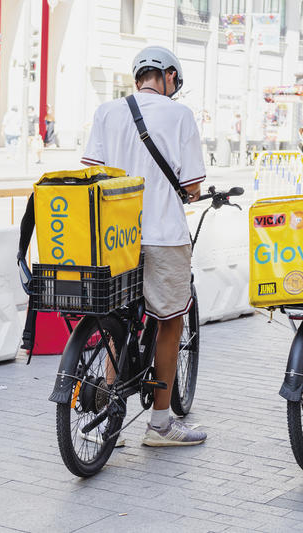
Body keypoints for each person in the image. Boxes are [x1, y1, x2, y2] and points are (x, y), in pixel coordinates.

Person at [80, 45, 207, 447]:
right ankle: (160, 425)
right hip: (163, 237)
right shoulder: (181, 115)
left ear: (138, 77)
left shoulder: (106, 112)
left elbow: (94, 173)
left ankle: (108, 421)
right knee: (171, 320)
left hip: (115, 236)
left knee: (118, 319)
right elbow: (191, 186)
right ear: (168, 75)